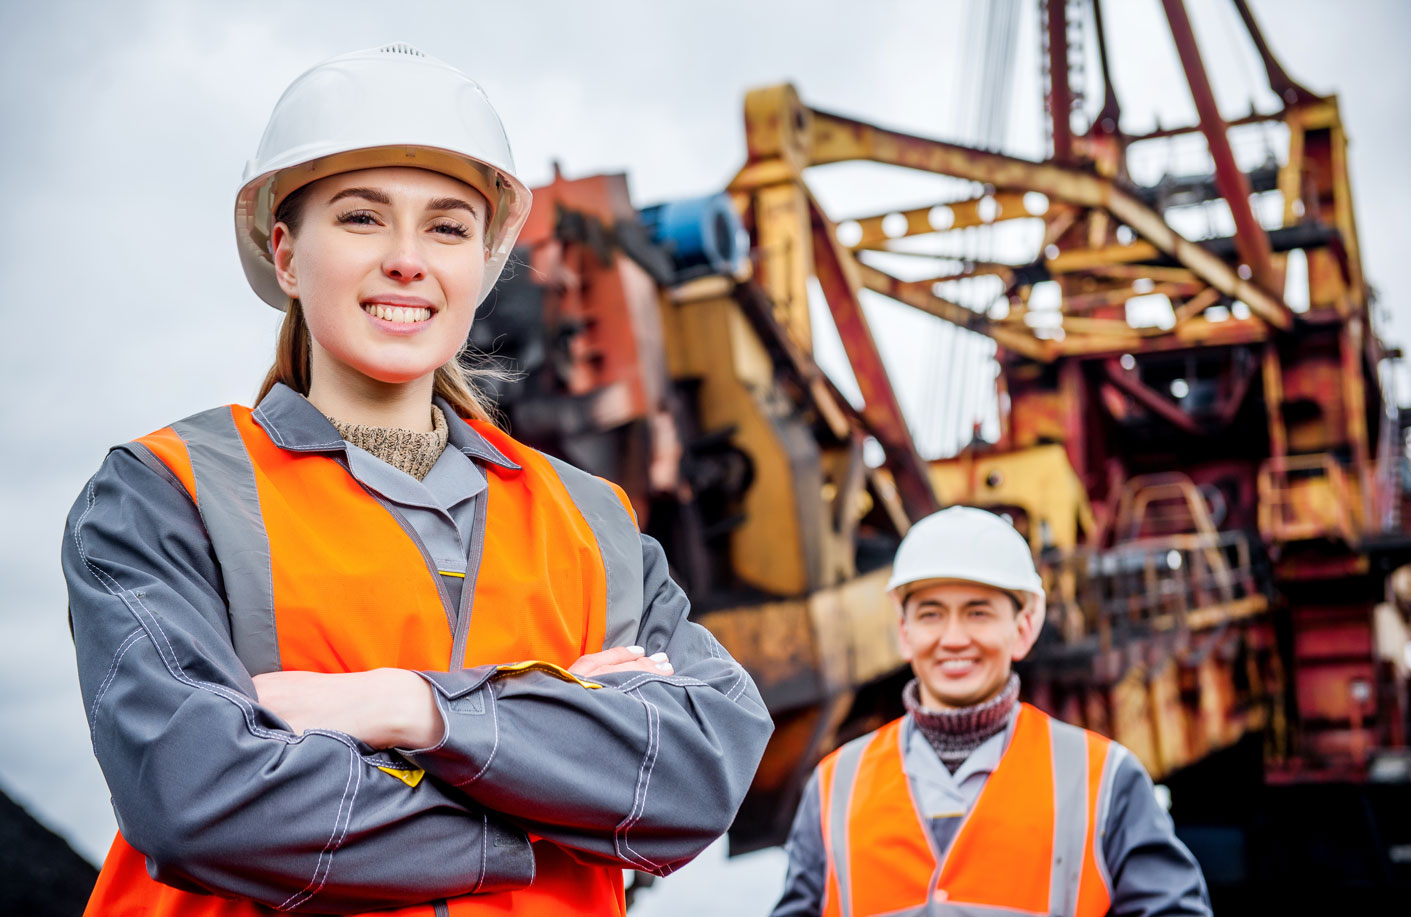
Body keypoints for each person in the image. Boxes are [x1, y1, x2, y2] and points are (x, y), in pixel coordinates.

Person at [62, 44, 772, 916]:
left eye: (446, 226)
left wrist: (404, 709)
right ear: (285, 255)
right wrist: (548, 798)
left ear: (480, 264)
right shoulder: (166, 494)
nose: (408, 259)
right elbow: (197, 798)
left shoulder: (593, 523)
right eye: (362, 217)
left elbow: (701, 769)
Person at [771, 506, 1211, 916]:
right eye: (931, 614)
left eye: (978, 613)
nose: (954, 638)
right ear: (904, 633)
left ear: (1023, 629)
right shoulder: (834, 786)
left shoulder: (1103, 778)